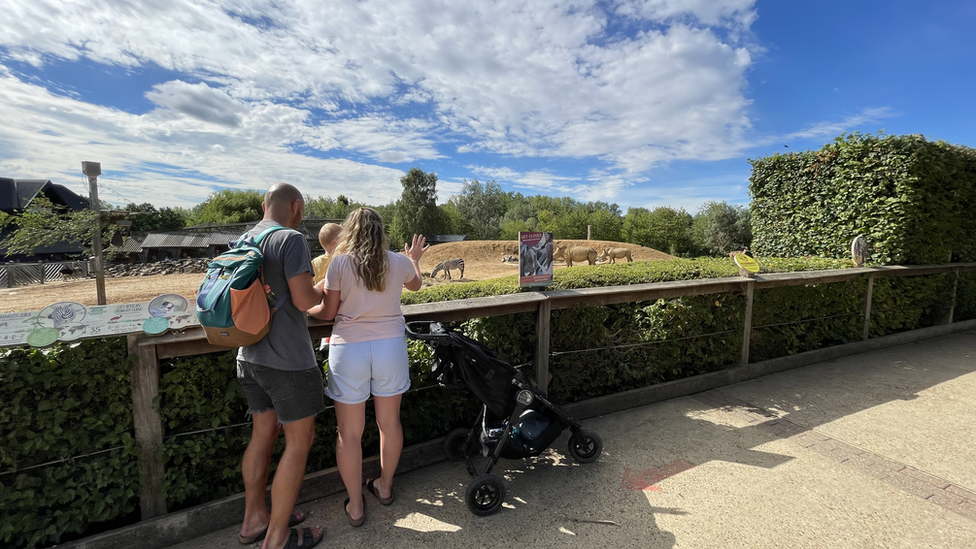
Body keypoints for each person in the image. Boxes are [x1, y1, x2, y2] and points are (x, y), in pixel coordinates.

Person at [308, 207, 427, 528]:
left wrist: (305, 305)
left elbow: (327, 312)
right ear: (381, 232)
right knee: (390, 424)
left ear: (351, 231)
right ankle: (384, 486)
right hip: (390, 347)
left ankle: (356, 506)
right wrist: (413, 257)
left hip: (349, 349)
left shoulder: (340, 263)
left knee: (349, 434)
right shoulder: (398, 262)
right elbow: (416, 286)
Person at [236, 183, 325, 549]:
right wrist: (327, 287)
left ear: (263, 205)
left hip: (248, 355)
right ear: (297, 207)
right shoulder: (291, 239)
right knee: (299, 442)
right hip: (287, 359)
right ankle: (277, 538)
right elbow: (304, 300)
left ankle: (254, 519)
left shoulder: (244, 238)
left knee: (263, 436)